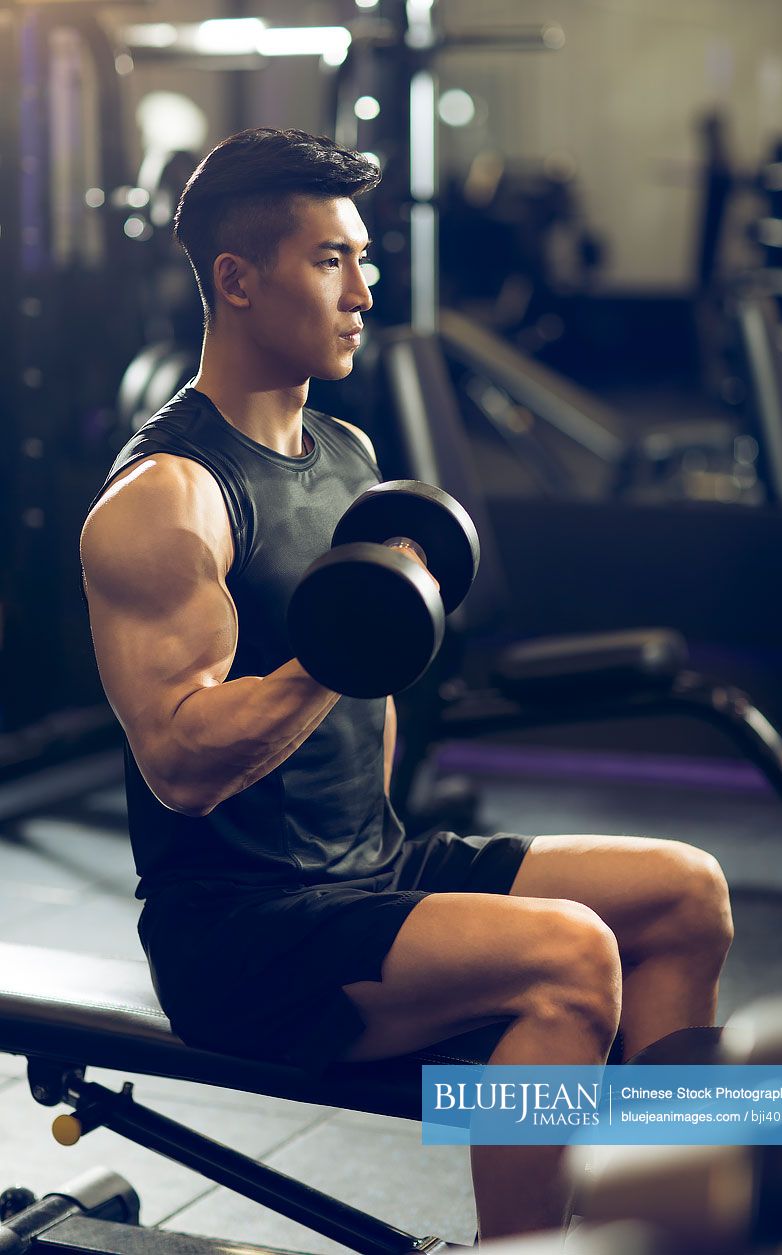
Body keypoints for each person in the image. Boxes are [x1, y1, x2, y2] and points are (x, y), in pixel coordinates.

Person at [80, 127, 734, 1242]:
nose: (364, 287)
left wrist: (359, 663)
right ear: (236, 280)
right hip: (243, 931)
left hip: (369, 868)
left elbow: (365, 714)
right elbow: (182, 766)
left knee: (685, 887)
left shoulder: (345, 451)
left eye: (363, 257)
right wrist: (339, 653)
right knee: (569, 954)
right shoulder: (165, 496)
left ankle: (676, 1216)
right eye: (331, 258)